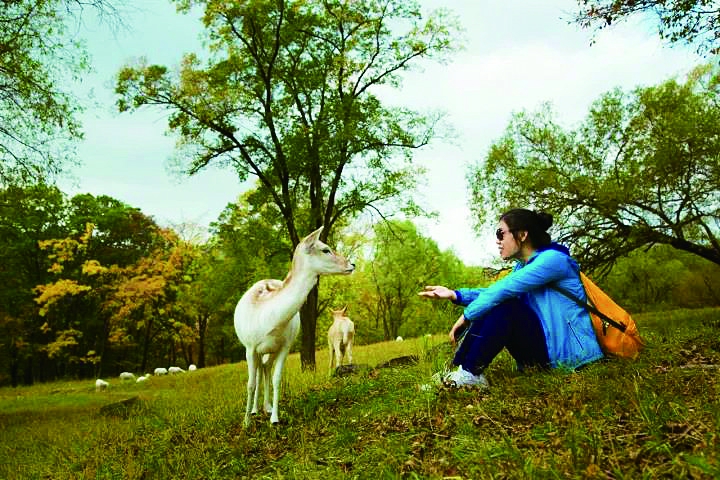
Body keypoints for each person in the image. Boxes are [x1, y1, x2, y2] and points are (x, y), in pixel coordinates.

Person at [418, 208, 604, 387]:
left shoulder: (554, 260)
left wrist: (467, 316)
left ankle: (471, 373)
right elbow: (494, 292)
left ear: (522, 235)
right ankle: (461, 370)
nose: (497, 241)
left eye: (501, 233)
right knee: (496, 302)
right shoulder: (522, 268)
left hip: (571, 356)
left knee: (505, 306)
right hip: (543, 351)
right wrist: (455, 294)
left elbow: (502, 290)